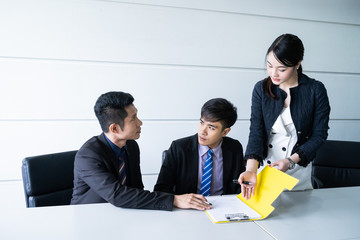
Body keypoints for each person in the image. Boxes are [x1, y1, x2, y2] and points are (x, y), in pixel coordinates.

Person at [71, 91, 211, 211]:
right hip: (89, 216)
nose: (140, 122)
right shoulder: (88, 156)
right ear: (114, 128)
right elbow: (118, 195)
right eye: (133, 118)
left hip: (124, 212)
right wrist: (173, 200)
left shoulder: (131, 145)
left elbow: (137, 188)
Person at [239, 33, 330, 200]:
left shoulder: (315, 90)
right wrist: (251, 169)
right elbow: (256, 131)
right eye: (269, 65)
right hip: (266, 169)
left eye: (282, 69)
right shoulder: (261, 89)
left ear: (297, 63)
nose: (274, 73)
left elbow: (319, 136)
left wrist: (290, 161)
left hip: (296, 169)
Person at [154, 98, 245, 196]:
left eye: (211, 127)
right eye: (202, 123)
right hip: (187, 208)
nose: (202, 131)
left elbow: (238, 188)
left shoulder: (234, 148)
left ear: (225, 132)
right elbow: (161, 190)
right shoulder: (179, 148)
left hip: (223, 206)